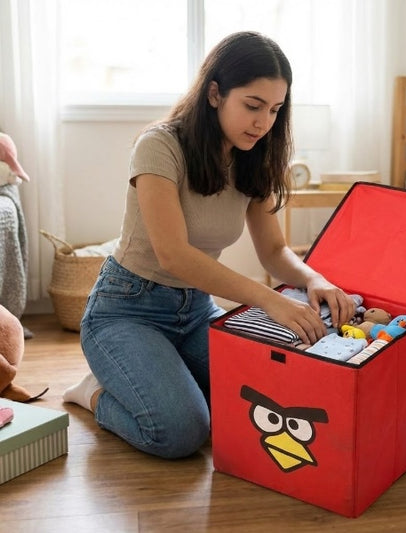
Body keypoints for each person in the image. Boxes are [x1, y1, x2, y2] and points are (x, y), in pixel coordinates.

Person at [63, 31, 355, 459]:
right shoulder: (159, 146)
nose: (263, 123)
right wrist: (269, 300)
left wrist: (315, 279)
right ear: (215, 93)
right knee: (182, 431)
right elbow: (174, 254)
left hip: (196, 310)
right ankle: (93, 392)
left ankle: (166, 375)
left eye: (275, 110)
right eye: (253, 106)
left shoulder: (256, 156)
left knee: (264, 401)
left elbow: (274, 251)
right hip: (127, 309)